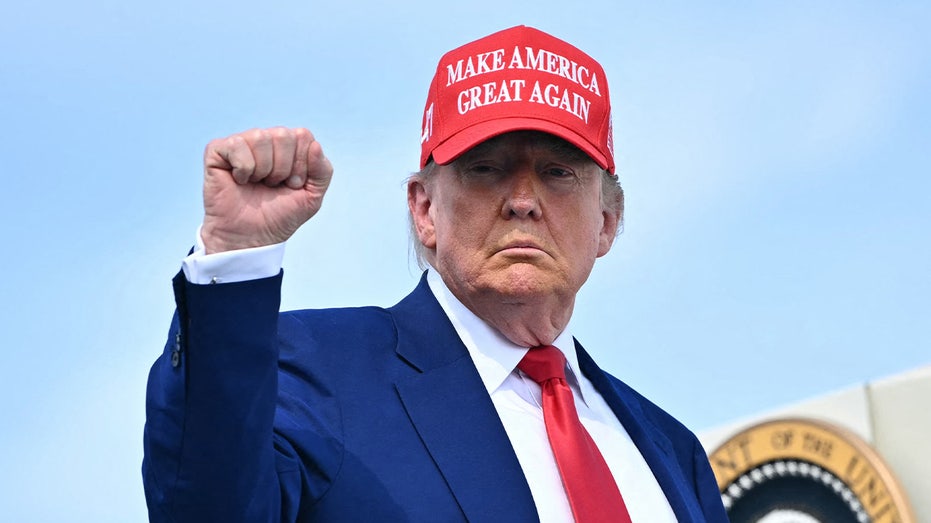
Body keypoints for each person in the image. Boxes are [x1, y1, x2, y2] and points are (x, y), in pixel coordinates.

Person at [143, 25, 728, 522]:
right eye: (485, 168)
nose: (523, 199)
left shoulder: (674, 454)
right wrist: (236, 253)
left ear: (606, 220)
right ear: (424, 209)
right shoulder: (316, 372)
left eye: (556, 172)